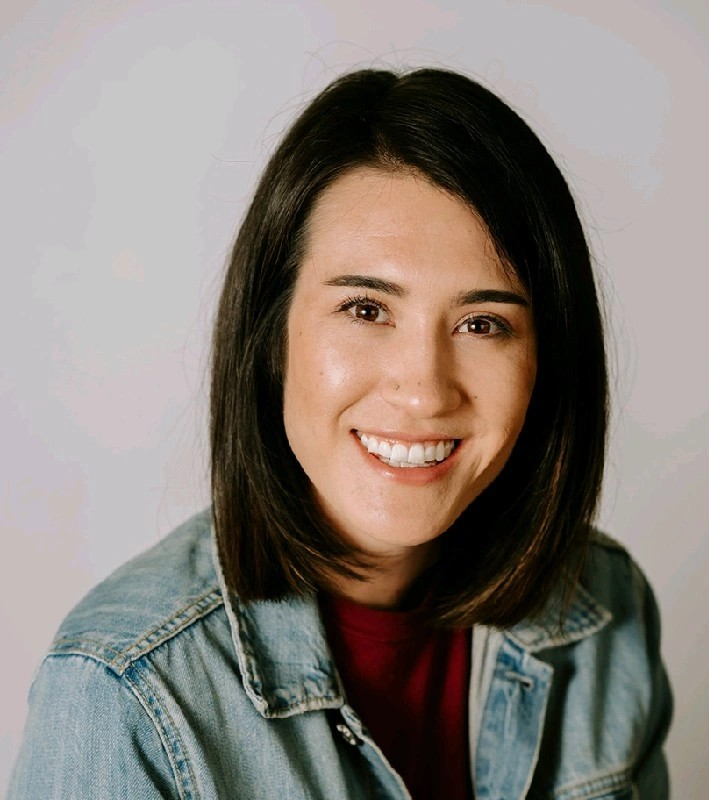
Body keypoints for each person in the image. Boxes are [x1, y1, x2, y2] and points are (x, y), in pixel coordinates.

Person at [9, 67, 672, 799]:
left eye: (482, 323)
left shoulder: (605, 609)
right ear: (273, 335)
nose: (423, 391)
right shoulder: (123, 692)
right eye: (366, 310)